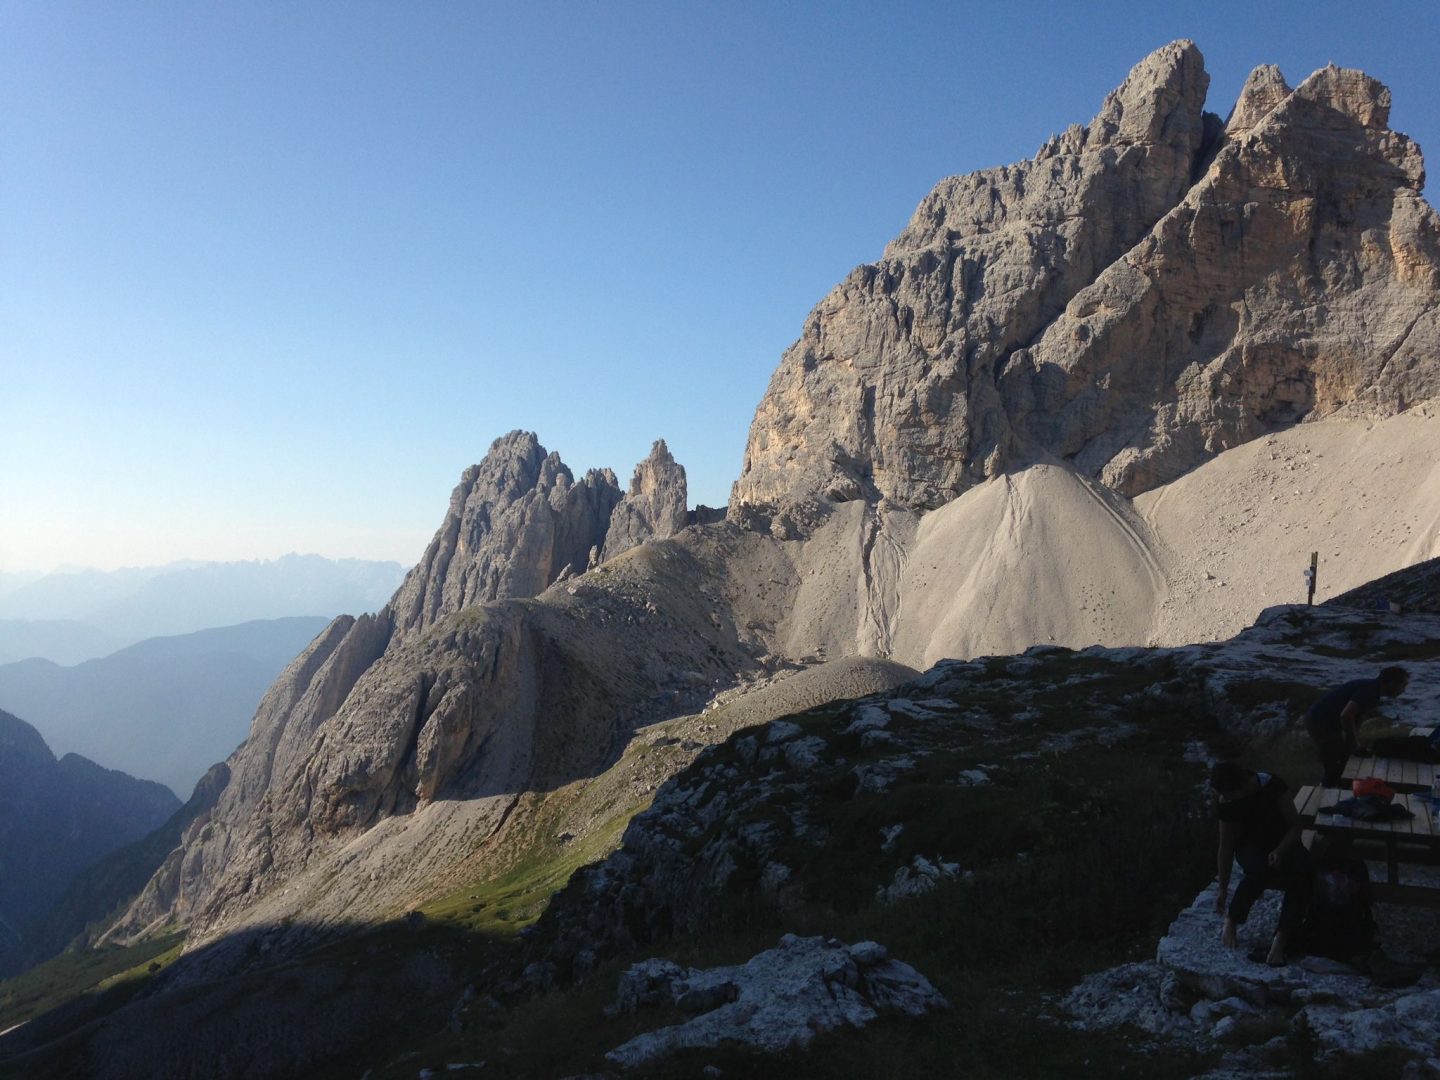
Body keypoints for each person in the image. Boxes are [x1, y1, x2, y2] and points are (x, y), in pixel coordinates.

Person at [1211, 762, 1310, 966]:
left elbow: (1295, 826)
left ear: (1243, 786)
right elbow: (1226, 847)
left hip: (1284, 841)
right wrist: (1222, 889)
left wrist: (1279, 851)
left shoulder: (1272, 786)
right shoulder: (1227, 802)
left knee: (1302, 871)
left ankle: (1281, 939)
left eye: (1230, 795)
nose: (1226, 799)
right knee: (1260, 869)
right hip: (1250, 846)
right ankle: (1232, 919)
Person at [1304, 666, 1410, 787]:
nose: (1403, 690)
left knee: (1342, 759)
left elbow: (1356, 717)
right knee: (1334, 764)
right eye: (1403, 685)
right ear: (1391, 683)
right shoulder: (1370, 692)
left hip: (1323, 721)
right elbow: (1346, 715)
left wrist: (1354, 742)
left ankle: (1334, 788)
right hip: (1321, 722)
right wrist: (1353, 740)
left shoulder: (1372, 689)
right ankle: (1325, 794)